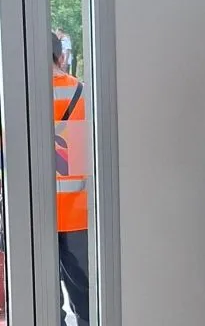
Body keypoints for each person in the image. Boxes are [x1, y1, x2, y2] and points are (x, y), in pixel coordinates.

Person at [52, 32, 90, 325]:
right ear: (60, 57)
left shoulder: (16, 96)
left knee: (42, 299)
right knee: (85, 300)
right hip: (78, 213)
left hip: (33, 217)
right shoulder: (81, 92)